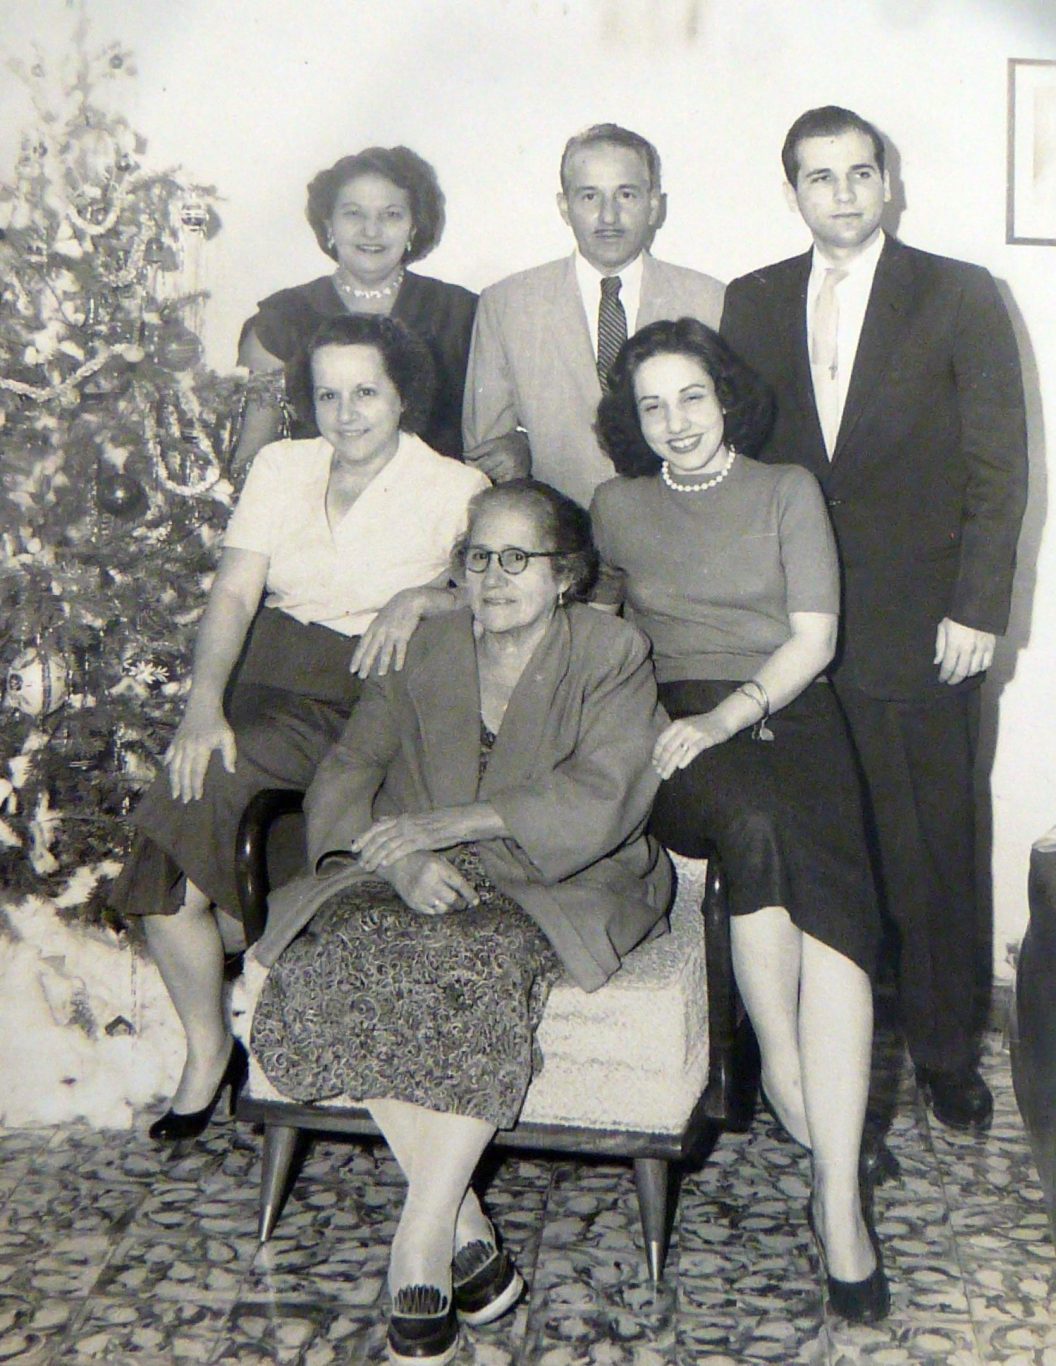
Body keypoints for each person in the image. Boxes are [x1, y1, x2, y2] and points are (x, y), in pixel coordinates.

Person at [238, 480, 673, 1366]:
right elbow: (345, 775)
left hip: (558, 871)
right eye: (479, 557)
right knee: (339, 956)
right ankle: (469, 1236)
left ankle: (419, 1245)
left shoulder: (611, 649)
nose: (495, 576)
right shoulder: (423, 648)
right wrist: (398, 859)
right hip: (408, 865)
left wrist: (456, 824)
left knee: (474, 966)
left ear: (565, 575)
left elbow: (607, 790)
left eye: (519, 558)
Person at [721, 106, 1029, 1132]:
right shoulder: (753, 301)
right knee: (816, 842)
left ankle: (945, 1052)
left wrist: (979, 608)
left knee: (935, 842)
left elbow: (1000, 467)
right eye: (821, 177)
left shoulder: (957, 293)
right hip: (794, 627)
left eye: (861, 174)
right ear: (793, 190)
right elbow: (743, 465)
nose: (843, 194)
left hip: (925, 627)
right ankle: (804, 1056)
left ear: (888, 183)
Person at [110, 313, 489, 1143]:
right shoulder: (282, 466)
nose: (346, 413)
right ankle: (212, 1045)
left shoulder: (453, 487)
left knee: (187, 840)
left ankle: (222, 1037)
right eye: (327, 394)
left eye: (365, 392)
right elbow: (237, 595)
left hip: (367, 699)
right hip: (260, 683)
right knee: (174, 843)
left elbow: (498, 597)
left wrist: (422, 597)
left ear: (402, 395)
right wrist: (202, 705)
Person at [591, 318, 888, 1323]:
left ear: (725, 397)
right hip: (676, 731)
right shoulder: (616, 506)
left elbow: (815, 638)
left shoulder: (785, 488)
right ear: (631, 421)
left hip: (786, 709)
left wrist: (734, 712)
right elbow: (598, 638)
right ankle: (798, 1088)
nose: (675, 422)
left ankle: (835, 1193)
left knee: (830, 895)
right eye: (652, 405)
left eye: (692, 397)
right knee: (756, 818)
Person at [462, 122, 725, 508]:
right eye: (589, 197)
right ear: (564, 207)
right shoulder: (506, 305)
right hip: (559, 535)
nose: (608, 216)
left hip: (679, 527)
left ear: (654, 205)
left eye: (627, 194)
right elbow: (488, 452)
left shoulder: (710, 301)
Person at [234, 145, 476, 467]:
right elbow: (251, 458)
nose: (371, 230)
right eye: (353, 213)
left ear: (413, 227)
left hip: (436, 510)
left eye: (391, 214)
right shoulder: (281, 321)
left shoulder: (461, 314)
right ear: (329, 225)